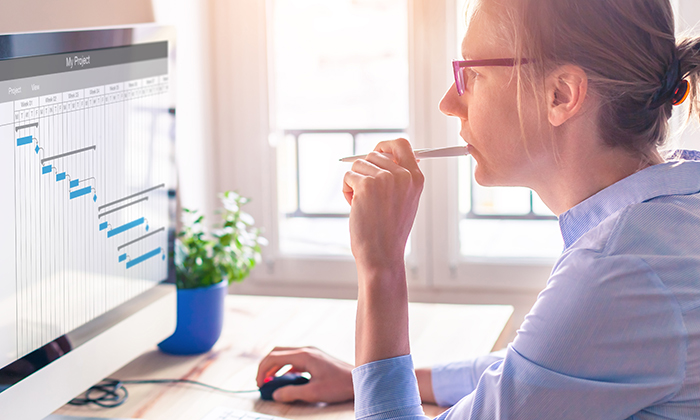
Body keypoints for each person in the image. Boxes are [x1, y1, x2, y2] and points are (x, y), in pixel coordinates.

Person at [257, 0, 700, 417]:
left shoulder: (617, 270)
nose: (449, 103)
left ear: (561, 95)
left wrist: (381, 265)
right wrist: (365, 379)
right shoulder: (668, 217)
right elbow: (536, 368)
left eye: (471, 73)